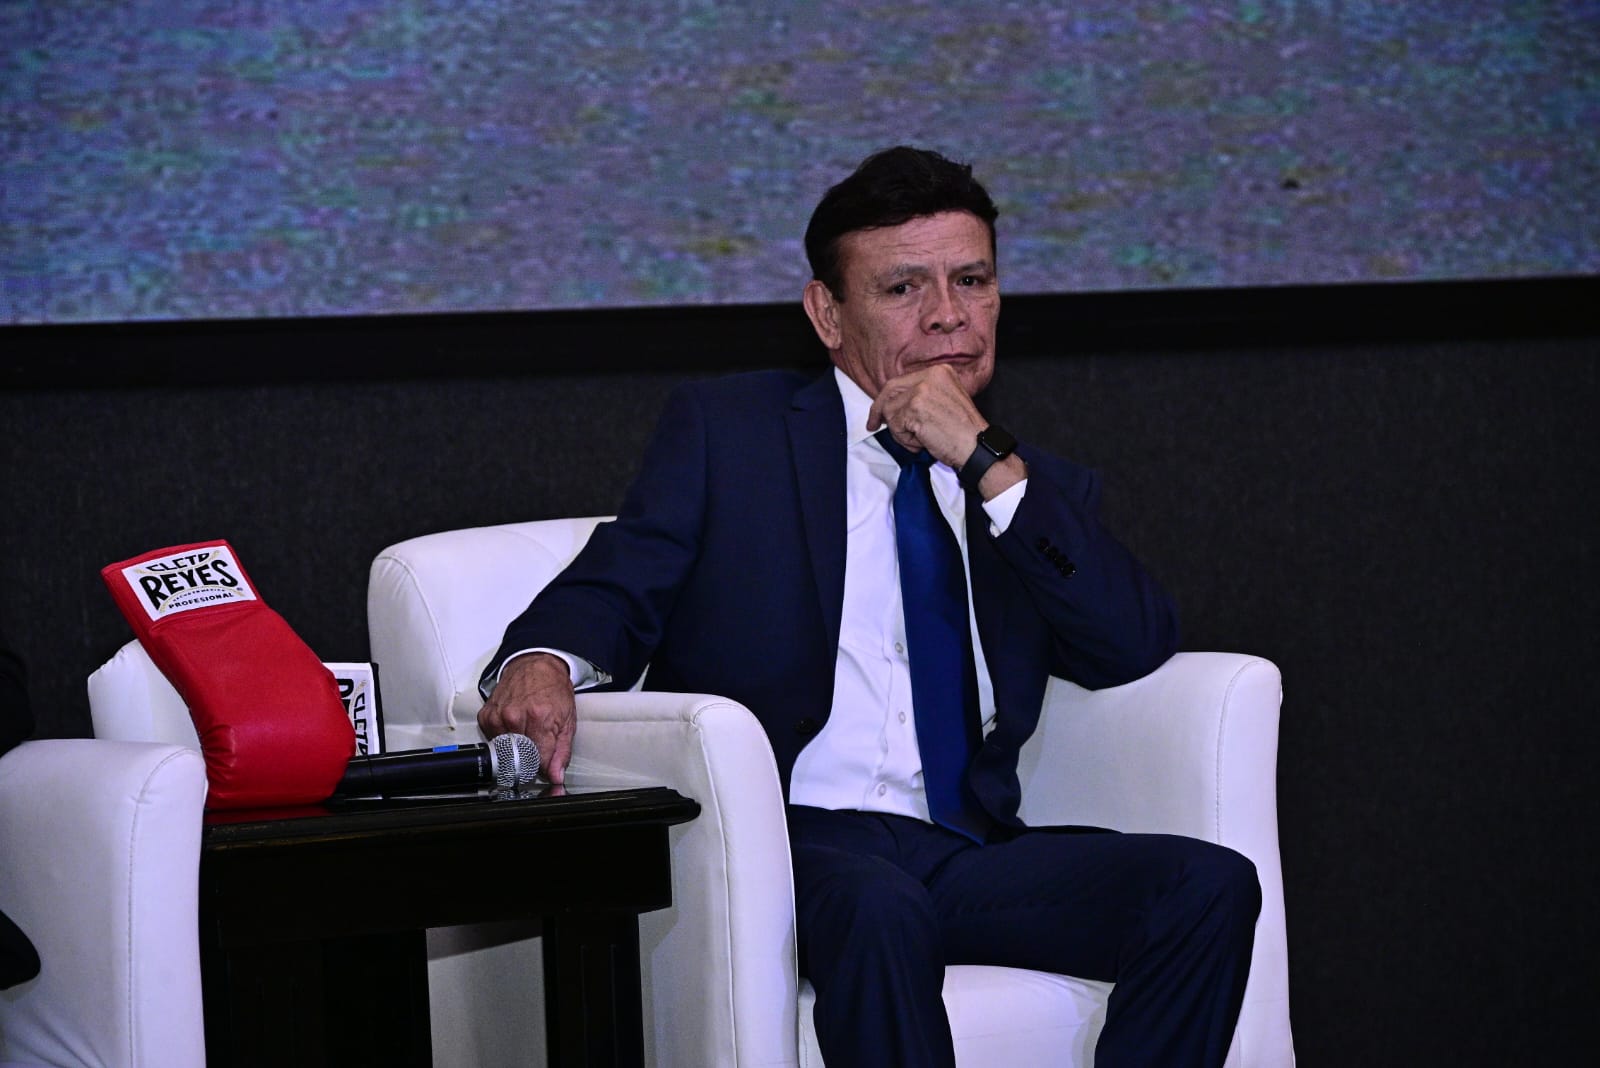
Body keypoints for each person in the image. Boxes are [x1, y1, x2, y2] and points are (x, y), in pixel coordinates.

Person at [478, 146, 1260, 1066]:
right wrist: (542, 660)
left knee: (1205, 885)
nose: (948, 315)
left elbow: (1131, 643)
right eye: (903, 288)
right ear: (827, 314)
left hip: (960, 848)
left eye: (972, 280)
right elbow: (616, 584)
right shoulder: (734, 439)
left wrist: (988, 467)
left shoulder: (1025, 489)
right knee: (881, 909)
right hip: (789, 840)